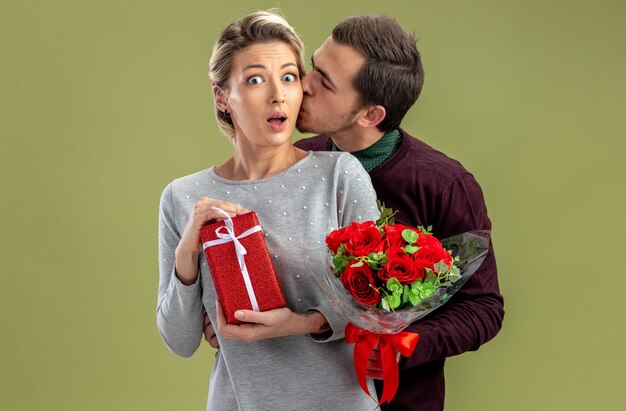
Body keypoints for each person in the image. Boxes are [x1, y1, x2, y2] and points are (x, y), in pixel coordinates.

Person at [204, 14, 505, 411]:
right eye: (312, 65)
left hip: (400, 400)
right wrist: (226, 312)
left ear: (370, 115)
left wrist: (405, 345)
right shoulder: (291, 161)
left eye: (324, 83)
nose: (301, 84)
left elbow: (484, 308)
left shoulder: (443, 183)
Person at [156, 11, 380, 410]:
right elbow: (180, 340)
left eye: (290, 76)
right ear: (222, 96)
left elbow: (378, 307)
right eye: (255, 79)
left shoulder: (339, 175)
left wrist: (304, 322)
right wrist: (186, 255)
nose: (278, 94)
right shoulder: (183, 197)